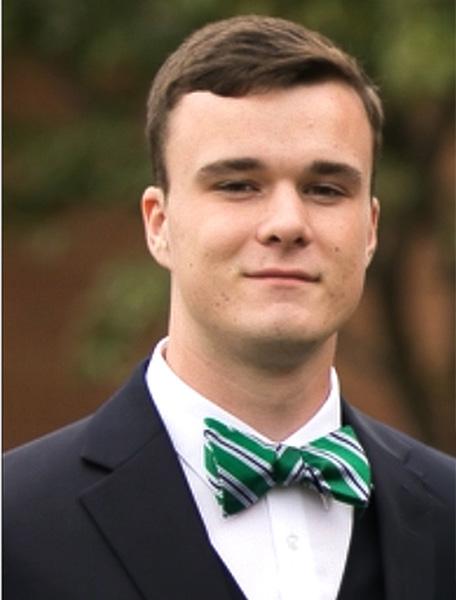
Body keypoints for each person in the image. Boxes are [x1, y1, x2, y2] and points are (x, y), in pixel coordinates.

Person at [4, 15, 454, 600]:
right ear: (159, 225)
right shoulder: (13, 522)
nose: (287, 223)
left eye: (325, 189)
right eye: (238, 185)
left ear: (369, 229)